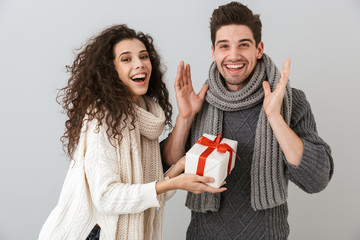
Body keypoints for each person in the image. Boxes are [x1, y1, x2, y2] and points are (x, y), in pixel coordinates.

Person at [161, 2, 334, 239]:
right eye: (224, 46)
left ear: (259, 49)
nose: (233, 55)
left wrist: (275, 117)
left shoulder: (289, 100)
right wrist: (185, 117)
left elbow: (317, 180)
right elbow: (168, 169)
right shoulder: (199, 102)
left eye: (244, 44)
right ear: (213, 51)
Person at [38, 24, 226, 240]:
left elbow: (151, 195)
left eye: (143, 57)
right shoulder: (101, 117)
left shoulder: (146, 114)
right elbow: (107, 197)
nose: (139, 64)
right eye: (126, 59)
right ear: (111, 69)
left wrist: (181, 167)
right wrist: (175, 182)